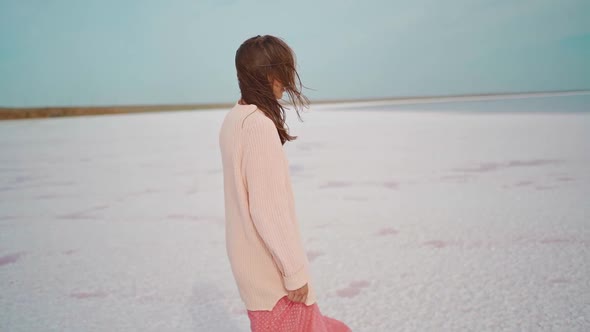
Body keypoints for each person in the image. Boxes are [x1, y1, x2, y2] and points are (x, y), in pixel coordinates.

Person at [218, 35, 352, 332]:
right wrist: (293, 273)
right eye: (284, 72)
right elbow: (266, 210)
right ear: (270, 75)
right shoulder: (258, 126)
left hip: (253, 271)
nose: (287, 82)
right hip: (274, 279)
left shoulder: (234, 119)